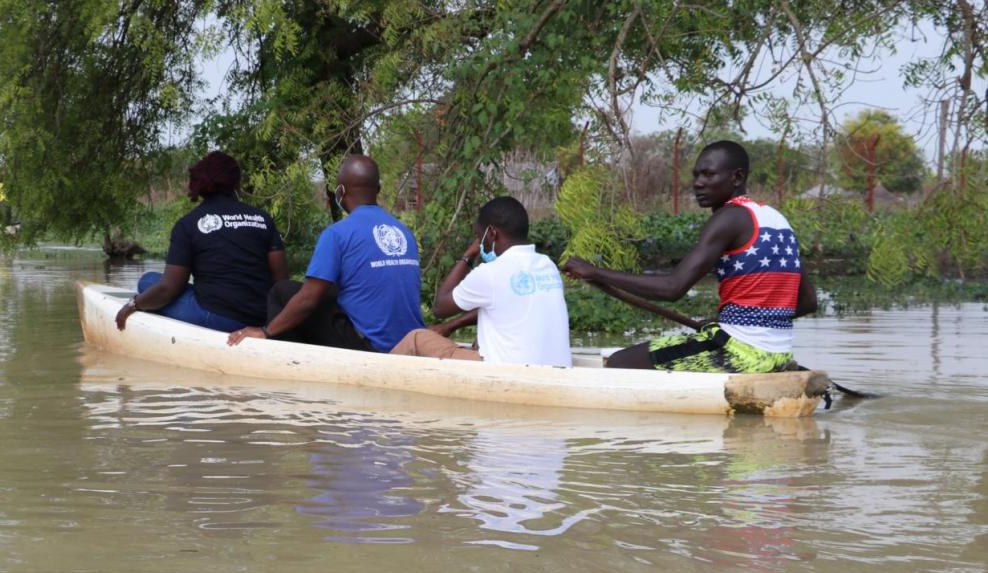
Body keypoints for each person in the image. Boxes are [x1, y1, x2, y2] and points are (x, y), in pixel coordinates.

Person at [562, 140, 817, 373]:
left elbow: (672, 288)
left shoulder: (728, 218)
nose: (698, 183)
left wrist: (593, 271)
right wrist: (727, 323)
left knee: (620, 362)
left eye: (708, 174)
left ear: (737, 177)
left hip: (738, 355)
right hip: (778, 357)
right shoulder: (778, 220)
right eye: (696, 175)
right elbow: (808, 302)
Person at [226, 154, 424, 352]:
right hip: (409, 340)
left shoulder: (338, 233)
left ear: (340, 191)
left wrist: (266, 331)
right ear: (377, 190)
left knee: (283, 291)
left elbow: (308, 300)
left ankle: (292, 362)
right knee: (331, 289)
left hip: (370, 346)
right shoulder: (404, 232)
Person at [114, 151, 287, 332]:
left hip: (218, 318)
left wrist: (133, 304)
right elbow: (281, 280)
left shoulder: (187, 224)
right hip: (262, 316)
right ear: (237, 182)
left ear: (199, 183)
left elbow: (168, 290)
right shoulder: (262, 219)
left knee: (147, 281)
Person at [391, 196, 571, 366]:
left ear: (492, 233)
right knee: (480, 340)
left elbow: (440, 307)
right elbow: (506, 305)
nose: (481, 243)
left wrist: (468, 256)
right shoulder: (547, 266)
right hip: (553, 370)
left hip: (505, 373)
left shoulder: (490, 272)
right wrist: (451, 326)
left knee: (416, 338)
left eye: (480, 237)